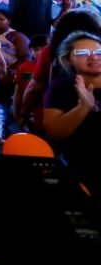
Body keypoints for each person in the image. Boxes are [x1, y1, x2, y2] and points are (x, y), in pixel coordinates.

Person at [43, 31, 101, 197]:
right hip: (77, 167)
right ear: (68, 59)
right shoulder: (60, 86)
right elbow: (55, 132)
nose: (94, 57)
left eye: (98, 52)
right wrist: (83, 107)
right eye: (82, 53)